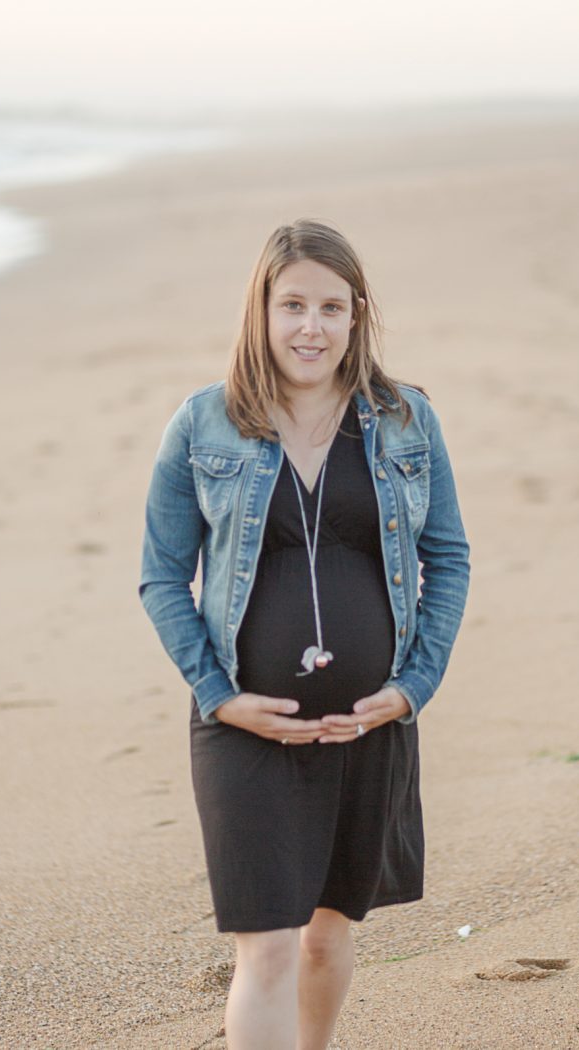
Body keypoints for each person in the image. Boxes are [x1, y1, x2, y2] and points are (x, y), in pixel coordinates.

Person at [139, 220, 470, 1047]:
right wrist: (218, 697)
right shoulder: (204, 423)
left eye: (330, 307)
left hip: (369, 726)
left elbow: (449, 557)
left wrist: (413, 688)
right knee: (269, 947)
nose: (310, 328)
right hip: (244, 730)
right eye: (292, 305)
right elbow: (161, 576)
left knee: (327, 939)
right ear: (261, 310)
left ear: (357, 315)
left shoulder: (406, 420)